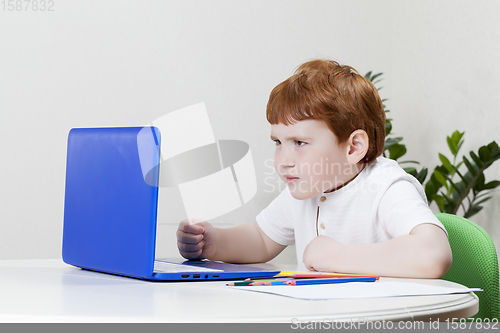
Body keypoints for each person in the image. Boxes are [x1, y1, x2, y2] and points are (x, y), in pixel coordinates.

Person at [176, 59, 452, 278]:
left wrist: (335, 257)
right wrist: (214, 243)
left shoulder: (386, 187)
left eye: (299, 142)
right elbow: (261, 239)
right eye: (278, 142)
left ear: (353, 147)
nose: (284, 159)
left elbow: (433, 254)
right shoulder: (306, 189)